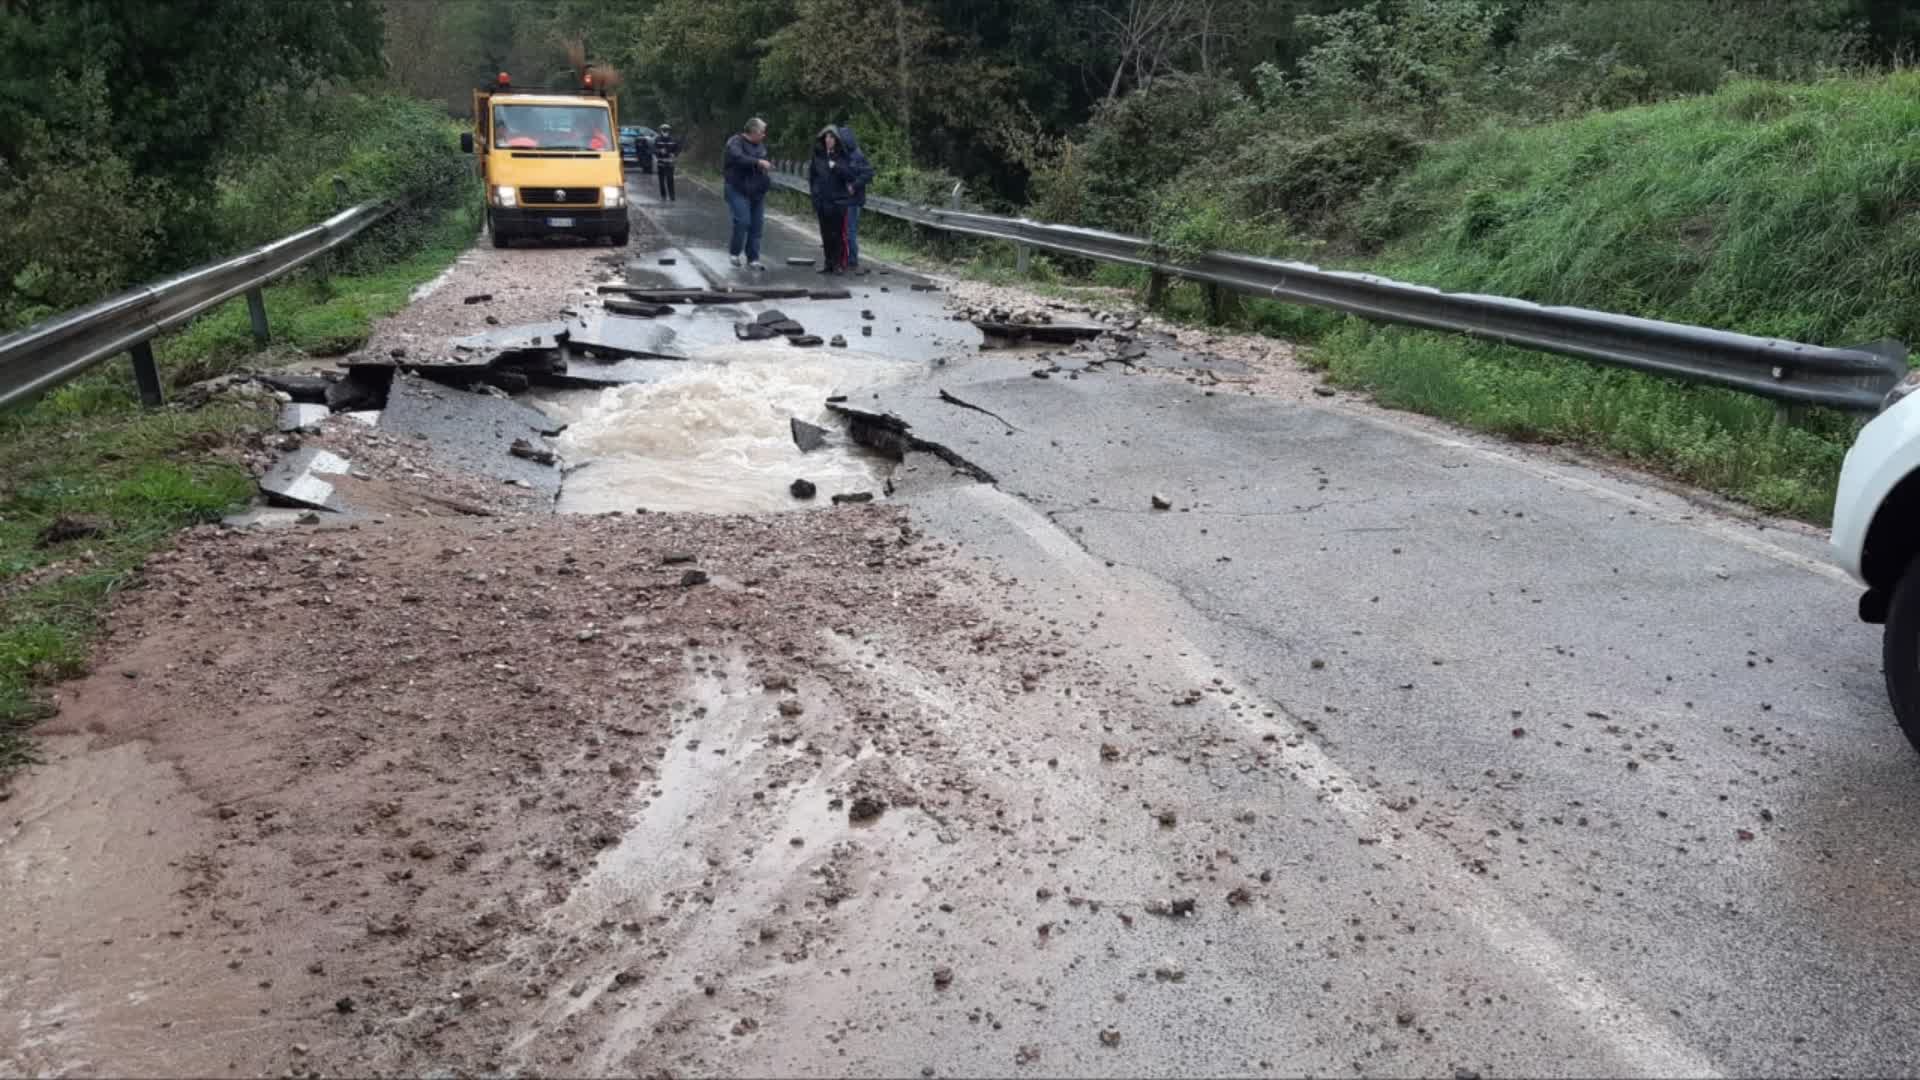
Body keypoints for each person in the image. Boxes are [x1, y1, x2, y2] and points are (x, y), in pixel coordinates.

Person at [722, 117, 773, 270]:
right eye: (762, 132)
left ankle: (753, 258)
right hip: (737, 188)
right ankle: (735, 253)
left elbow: (763, 161)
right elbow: (738, 158)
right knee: (743, 221)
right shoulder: (735, 142)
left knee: (757, 226)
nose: (764, 135)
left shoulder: (761, 146)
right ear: (754, 131)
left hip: (756, 191)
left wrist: (765, 170)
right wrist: (757, 162)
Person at [808, 126, 858, 274]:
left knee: (836, 234)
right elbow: (812, 178)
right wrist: (815, 195)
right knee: (825, 234)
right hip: (822, 201)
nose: (828, 140)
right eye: (826, 137)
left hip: (838, 201)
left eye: (831, 137)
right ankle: (828, 263)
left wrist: (836, 167)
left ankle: (837, 264)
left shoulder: (843, 156)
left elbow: (850, 175)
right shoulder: (818, 156)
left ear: (836, 140)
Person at [835, 124, 876, 271]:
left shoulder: (857, 155)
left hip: (854, 200)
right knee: (842, 230)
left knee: (850, 230)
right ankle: (843, 258)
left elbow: (868, 173)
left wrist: (854, 185)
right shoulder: (843, 154)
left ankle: (852, 260)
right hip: (844, 199)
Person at [652, 123, 680, 202]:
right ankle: (663, 196)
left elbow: (677, 149)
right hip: (661, 163)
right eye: (663, 130)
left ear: (669, 131)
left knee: (670, 179)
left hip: (670, 163)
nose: (665, 132)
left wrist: (674, 154)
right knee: (661, 181)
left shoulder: (673, 139)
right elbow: (654, 150)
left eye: (667, 130)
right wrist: (659, 151)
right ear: (661, 131)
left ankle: (672, 196)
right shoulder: (657, 139)